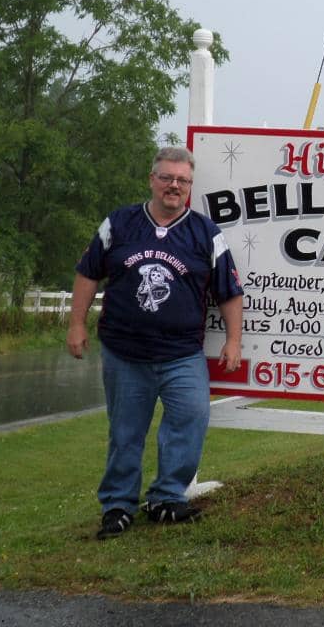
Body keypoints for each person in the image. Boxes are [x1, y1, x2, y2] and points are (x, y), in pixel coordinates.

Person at [66, 146, 244, 540]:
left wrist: (234, 340)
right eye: (166, 177)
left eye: (182, 180)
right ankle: (117, 505)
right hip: (124, 351)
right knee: (126, 431)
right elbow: (87, 273)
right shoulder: (120, 223)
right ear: (152, 179)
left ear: (190, 186)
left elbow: (230, 292)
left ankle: (167, 496)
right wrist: (76, 323)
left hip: (182, 353)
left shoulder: (205, 233)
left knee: (191, 418)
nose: (173, 186)